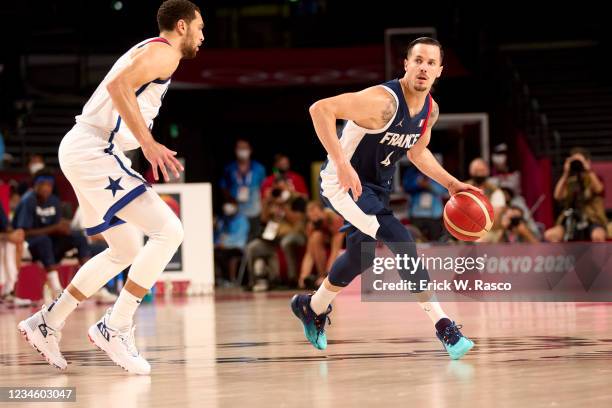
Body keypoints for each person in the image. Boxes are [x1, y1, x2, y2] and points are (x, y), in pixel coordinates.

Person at [18, 0, 204, 374]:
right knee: (169, 231)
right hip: (94, 148)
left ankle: (48, 321)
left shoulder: (150, 49)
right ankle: (115, 326)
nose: (203, 37)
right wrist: (148, 142)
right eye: (200, 28)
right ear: (181, 26)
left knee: (125, 248)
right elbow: (119, 86)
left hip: (83, 146)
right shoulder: (164, 53)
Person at [291, 37, 477, 359]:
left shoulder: (429, 111)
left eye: (430, 63)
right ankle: (444, 326)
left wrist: (451, 183)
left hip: (376, 188)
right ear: (406, 64)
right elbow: (320, 109)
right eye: (417, 60)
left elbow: (417, 153)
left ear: (439, 71)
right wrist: (341, 163)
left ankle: (311, 306)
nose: (423, 67)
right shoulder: (383, 102)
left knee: (362, 257)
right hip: (344, 184)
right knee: (400, 238)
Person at [12, 170, 91, 302]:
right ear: (35, 185)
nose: (46, 188)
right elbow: (23, 232)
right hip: (30, 246)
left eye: (49, 185)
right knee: (44, 240)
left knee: (78, 237)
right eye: (42, 184)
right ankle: (56, 289)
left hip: (50, 245)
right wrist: (55, 228)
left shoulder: (54, 201)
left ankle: (88, 283)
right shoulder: (28, 201)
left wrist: (64, 229)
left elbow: (57, 227)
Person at [544, 148, 607, 242]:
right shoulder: (570, 181)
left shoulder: (594, 178)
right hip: (571, 219)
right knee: (550, 235)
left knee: (597, 236)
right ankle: (563, 257)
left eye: (580, 161)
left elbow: (599, 189)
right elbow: (557, 196)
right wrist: (565, 173)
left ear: (587, 161)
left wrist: (588, 170)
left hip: (592, 219)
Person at [220, 138, 266, 241]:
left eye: (244, 148)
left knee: (254, 238)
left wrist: (264, 208)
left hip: (255, 209)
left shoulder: (259, 168)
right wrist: (230, 200)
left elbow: (264, 188)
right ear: (235, 150)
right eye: (240, 148)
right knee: (239, 238)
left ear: (250, 150)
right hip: (237, 211)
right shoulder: (229, 168)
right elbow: (223, 186)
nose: (242, 150)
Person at [298, 201, 344, 289]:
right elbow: (309, 254)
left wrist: (328, 276)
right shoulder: (311, 225)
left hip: (342, 240)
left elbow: (335, 250)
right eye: (311, 217)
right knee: (315, 237)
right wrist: (303, 276)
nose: (314, 218)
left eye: (316, 215)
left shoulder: (335, 220)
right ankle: (321, 274)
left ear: (323, 212)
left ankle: (325, 276)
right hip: (327, 239)